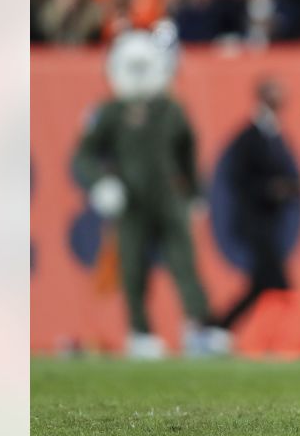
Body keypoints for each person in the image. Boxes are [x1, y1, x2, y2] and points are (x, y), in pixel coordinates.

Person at [73, 30, 227, 358]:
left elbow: (188, 153)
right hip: (130, 201)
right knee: (133, 267)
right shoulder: (111, 111)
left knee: (185, 264)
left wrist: (196, 192)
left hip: (169, 198)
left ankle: (198, 326)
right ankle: (140, 331)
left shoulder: (171, 109)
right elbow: (83, 156)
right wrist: (100, 183)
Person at [217, 77, 300, 331]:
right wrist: (268, 189)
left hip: (269, 220)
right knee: (277, 281)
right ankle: (289, 332)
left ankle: (218, 326)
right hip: (255, 220)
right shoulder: (250, 137)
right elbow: (239, 178)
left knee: (261, 284)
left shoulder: (274, 134)